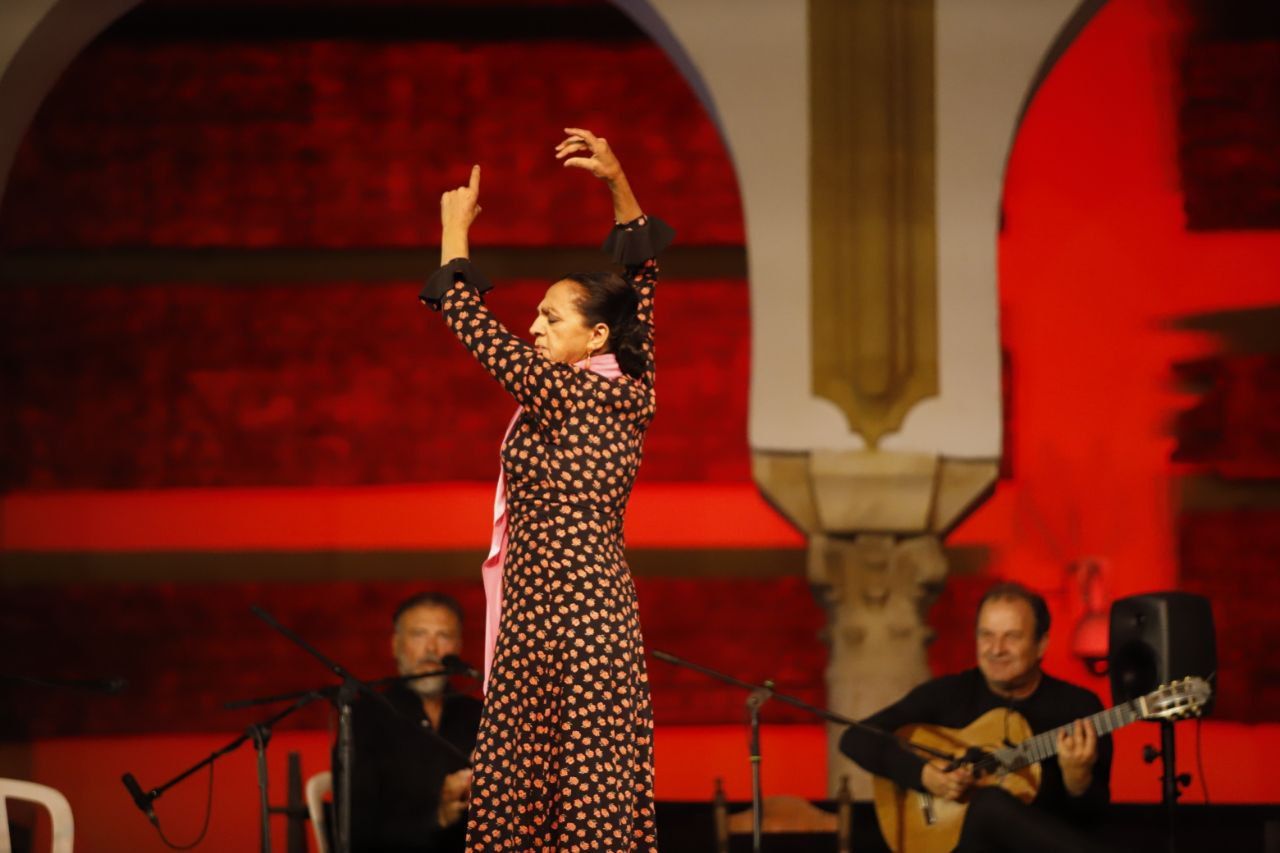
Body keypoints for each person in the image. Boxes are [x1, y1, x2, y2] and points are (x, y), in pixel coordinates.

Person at [419, 128, 667, 850]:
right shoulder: (634, 383)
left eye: (550, 318)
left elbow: (470, 321)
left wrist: (452, 233)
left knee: (544, 784)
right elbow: (642, 275)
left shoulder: (566, 393)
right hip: (593, 611)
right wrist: (618, 179)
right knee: (582, 782)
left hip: (559, 614)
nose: (532, 326)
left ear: (593, 338)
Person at [839, 582, 1114, 853]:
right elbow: (855, 738)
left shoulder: (1079, 708)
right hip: (957, 846)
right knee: (989, 803)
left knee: (992, 803)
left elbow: (1093, 820)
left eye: (1012, 637)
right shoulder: (947, 693)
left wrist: (1077, 779)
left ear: (1041, 644)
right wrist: (924, 776)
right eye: (986, 635)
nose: (996, 649)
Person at [341, 591, 482, 853]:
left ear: (458, 646)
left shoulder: (478, 715)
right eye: (419, 635)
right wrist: (436, 815)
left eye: (443, 636)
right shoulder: (365, 717)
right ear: (395, 645)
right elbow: (357, 830)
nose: (431, 649)